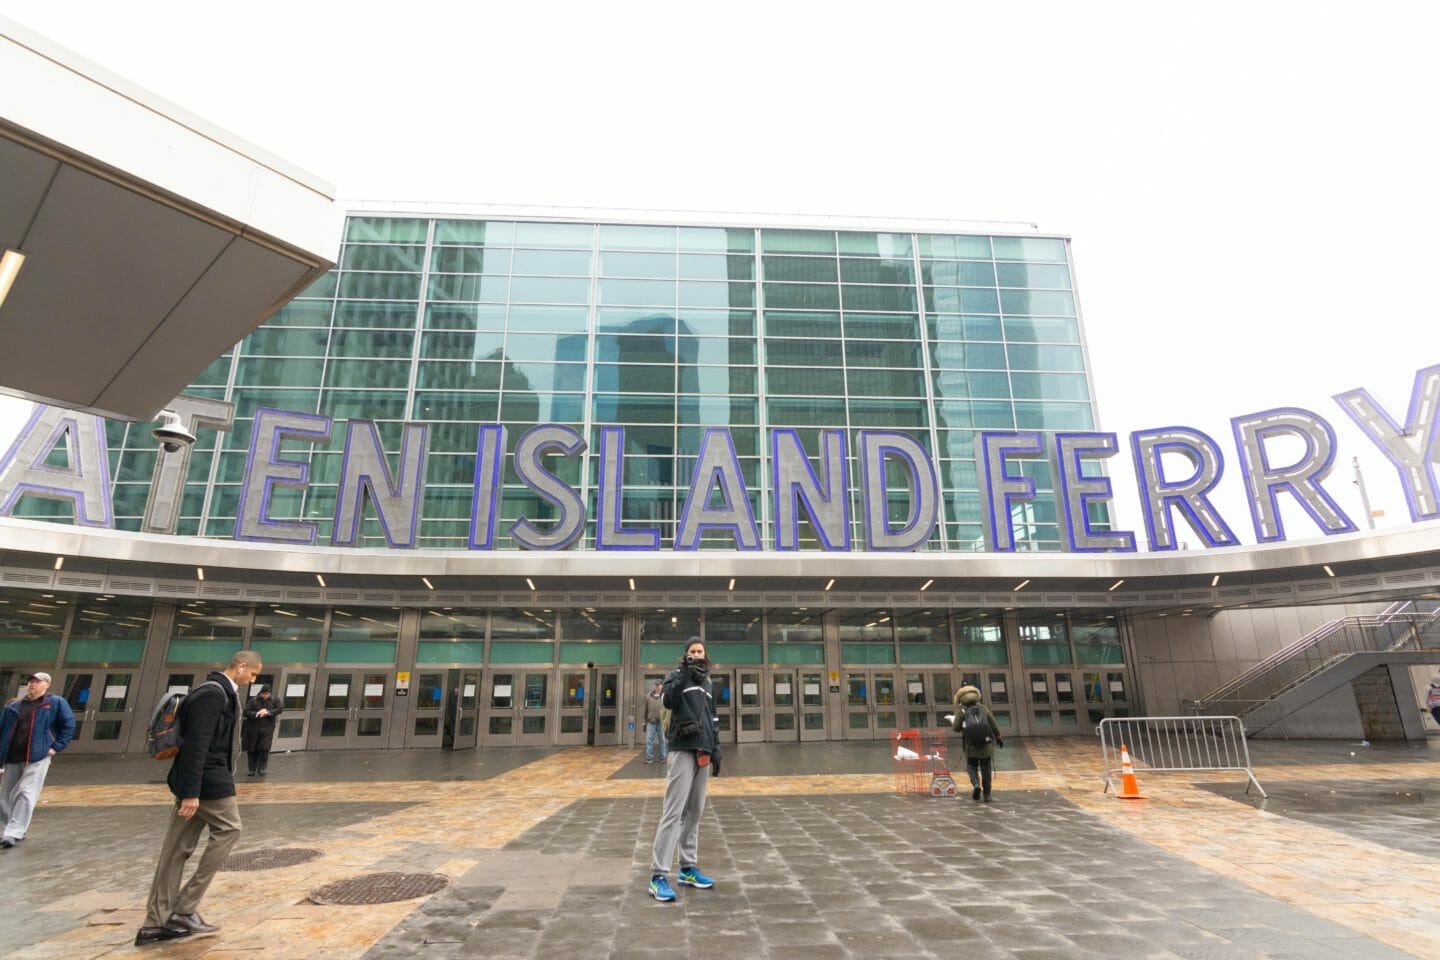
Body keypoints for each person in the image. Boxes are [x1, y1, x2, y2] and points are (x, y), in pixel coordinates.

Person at [135, 650, 262, 947]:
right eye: (253, 674)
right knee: (230, 830)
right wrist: (190, 792)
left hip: (198, 780)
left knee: (176, 849)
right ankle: (184, 907)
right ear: (241, 667)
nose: (251, 681)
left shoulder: (218, 692)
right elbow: (196, 745)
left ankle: (155, 922)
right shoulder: (213, 694)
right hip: (206, 781)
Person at [647, 637, 720, 902]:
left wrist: (716, 749)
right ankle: (658, 875)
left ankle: (688, 868)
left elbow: (713, 718)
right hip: (681, 749)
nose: (696, 655)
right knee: (673, 812)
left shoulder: (709, 683)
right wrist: (683, 675)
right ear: (685, 654)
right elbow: (667, 701)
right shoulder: (676, 676)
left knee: (695, 811)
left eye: (700, 651)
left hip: (703, 751)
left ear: (705, 654)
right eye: (692, 651)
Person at [0, 672, 76, 848]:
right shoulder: (15, 705)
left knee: (25, 793)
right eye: (30, 681)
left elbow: (68, 725)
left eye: (37, 681)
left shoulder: (55, 703)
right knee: (5, 796)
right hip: (12, 755)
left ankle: (14, 831)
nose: (32, 684)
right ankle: (7, 829)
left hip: (37, 756)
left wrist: (55, 747)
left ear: (46, 685)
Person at [951, 683, 1002, 803]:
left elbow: (956, 728)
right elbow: (993, 724)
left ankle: (976, 784)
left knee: (971, 766)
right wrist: (998, 737)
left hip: (970, 746)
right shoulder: (983, 708)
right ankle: (987, 794)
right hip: (986, 745)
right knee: (986, 769)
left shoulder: (961, 710)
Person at [240, 684, 284, 776]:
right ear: (261, 693)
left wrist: (269, 713)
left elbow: (279, 709)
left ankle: (262, 768)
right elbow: (246, 712)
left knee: (264, 748)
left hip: (267, 728)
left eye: (268, 694)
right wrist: (257, 714)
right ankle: (252, 769)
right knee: (252, 748)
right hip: (253, 728)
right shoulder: (253, 700)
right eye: (264, 694)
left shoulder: (275, 700)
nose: (266, 696)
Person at [643, 679, 667, 764]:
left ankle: (663, 757)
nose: (657, 686)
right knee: (649, 740)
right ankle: (649, 758)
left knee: (662, 740)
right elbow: (645, 709)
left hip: (661, 722)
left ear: (662, 686)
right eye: (656, 685)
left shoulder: (665, 696)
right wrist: (644, 721)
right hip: (650, 721)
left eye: (658, 685)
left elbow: (668, 709)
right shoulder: (648, 696)